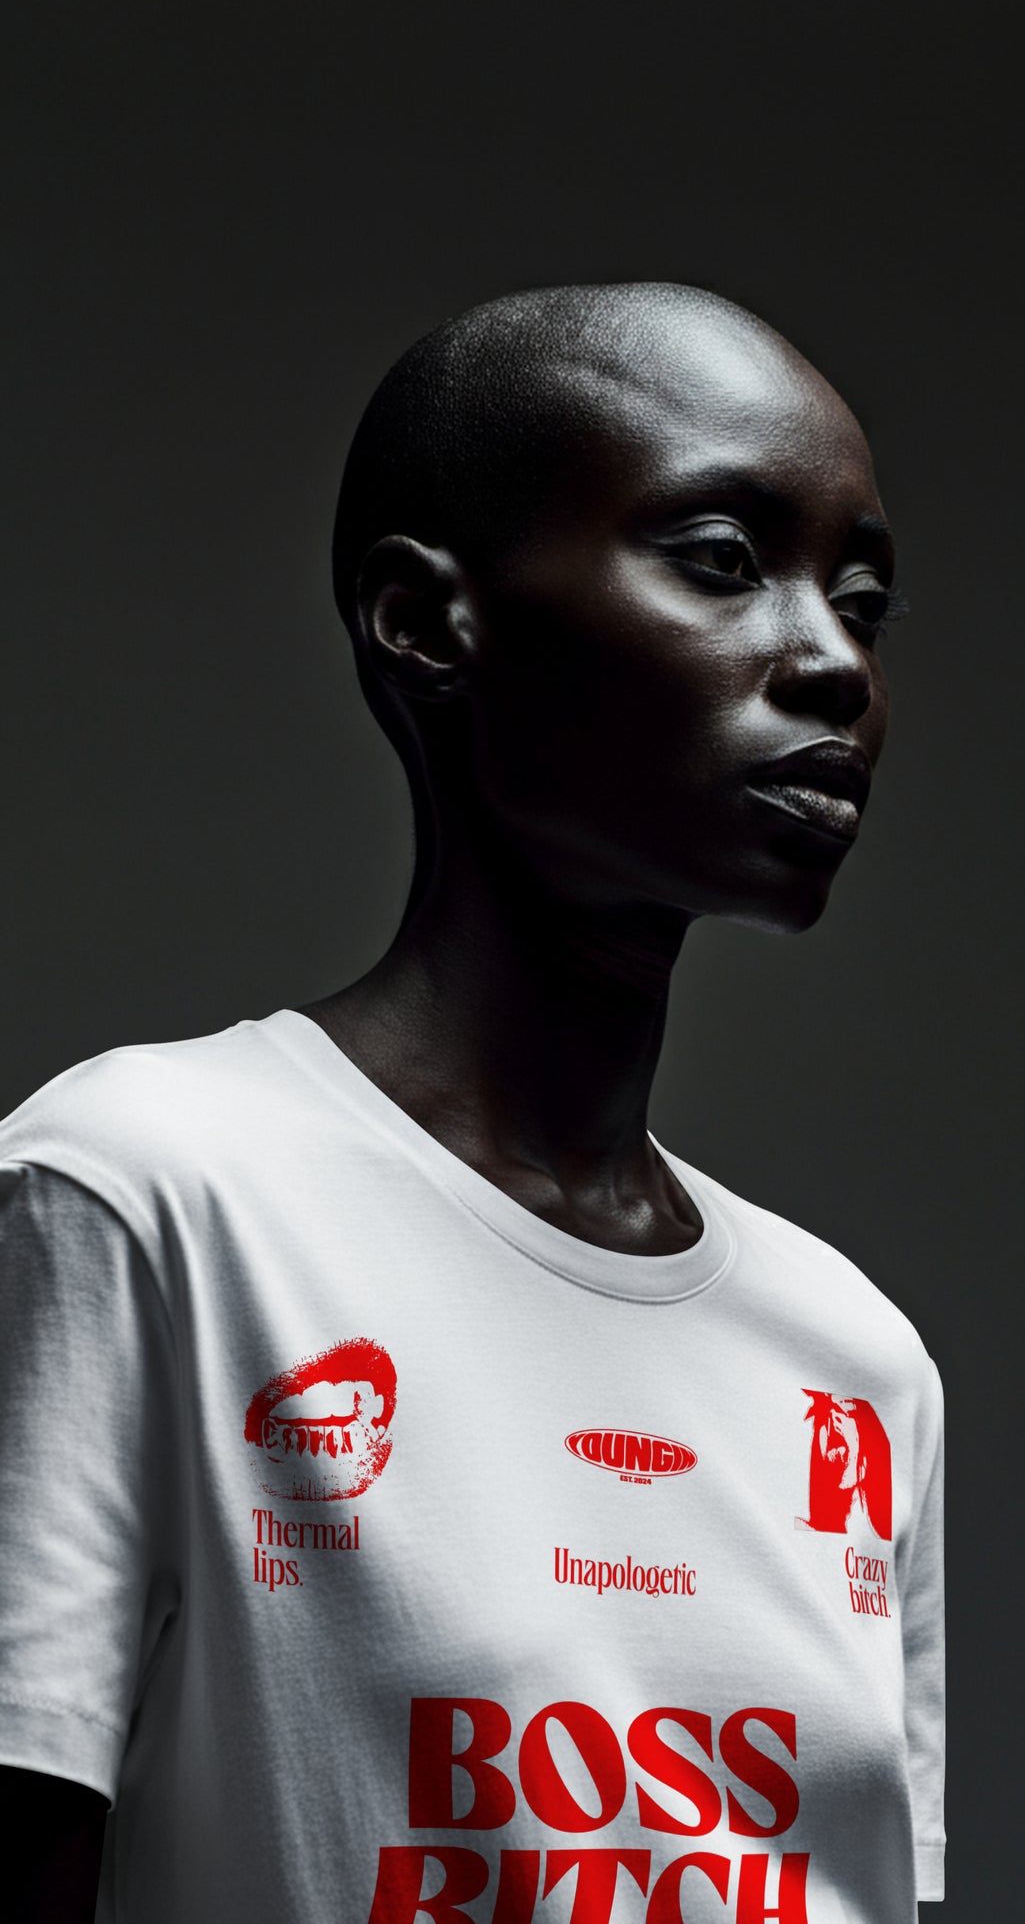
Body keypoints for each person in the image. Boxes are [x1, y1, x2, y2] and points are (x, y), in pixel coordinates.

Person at [0, 283, 946, 1923]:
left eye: (862, 601)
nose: (830, 662)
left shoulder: (853, 1362)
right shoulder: (149, 1201)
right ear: (425, 623)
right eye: (724, 559)